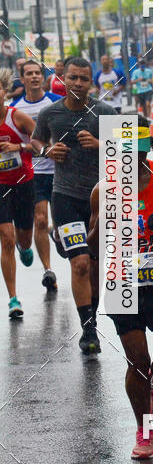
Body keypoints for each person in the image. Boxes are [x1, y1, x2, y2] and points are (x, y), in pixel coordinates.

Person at [88, 118, 153, 459]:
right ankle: (144, 430)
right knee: (138, 361)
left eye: (139, 148)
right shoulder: (103, 191)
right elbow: (93, 246)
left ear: (149, 147)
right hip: (122, 283)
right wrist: (106, 219)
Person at [33, 57, 115, 353]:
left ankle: (60, 238)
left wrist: (101, 144)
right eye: (73, 78)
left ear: (92, 82)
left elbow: (132, 149)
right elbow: (36, 141)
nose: (78, 83)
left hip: (100, 199)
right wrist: (47, 150)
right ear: (63, 79)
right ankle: (88, 329)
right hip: (64, 196)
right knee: (79, 263)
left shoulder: (106, 112)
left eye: (84, 79)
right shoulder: (50, 113)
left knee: (94, 265)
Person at [11, 59, 62, 292]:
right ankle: (48, 270)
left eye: (37, 73)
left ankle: (57, 233)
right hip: (36, 172)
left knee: (61, 224)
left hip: (60, 170)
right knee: (40, 220)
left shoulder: (56, 102)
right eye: (29, 73)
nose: (34, 76)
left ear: (42, 77)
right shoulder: (16, 108)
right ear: (22, 79)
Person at [0, 67, 37, 318]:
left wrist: (19, 146)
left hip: (23, 182)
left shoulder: (17, 117)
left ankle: (25, 248)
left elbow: (41, 143)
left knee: (23, 239)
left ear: (4, 91)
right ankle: (13, 298)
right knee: (6, 238)